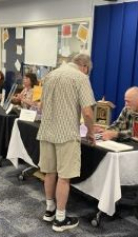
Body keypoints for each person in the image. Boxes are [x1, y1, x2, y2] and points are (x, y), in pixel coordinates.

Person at [37, 54, 96, 232]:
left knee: (49, 172)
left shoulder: (50, 75)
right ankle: (61, 220)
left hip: (47, 131)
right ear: (84, 66)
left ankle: (49, 210)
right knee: (64, 177)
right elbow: (87, 113)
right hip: (66, 134)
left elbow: (41, 106)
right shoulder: (81, 78)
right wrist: (91, 132)